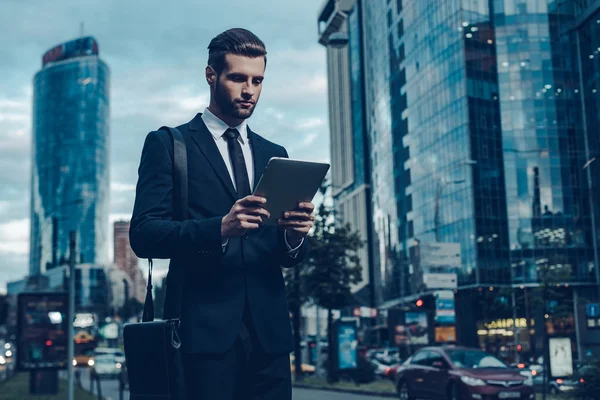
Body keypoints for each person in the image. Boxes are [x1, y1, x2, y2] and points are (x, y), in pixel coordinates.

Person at [129, 28, 314, 400]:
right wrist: (220, 228)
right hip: (201, 335)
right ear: (211, 75)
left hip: (270, 337)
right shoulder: (169, 144)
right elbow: (144, 234)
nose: (249, 90)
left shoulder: (274, 152)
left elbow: (285, 257)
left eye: (258, 80)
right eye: (238, 78)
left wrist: (295, 236)